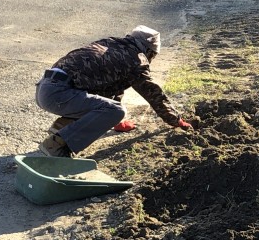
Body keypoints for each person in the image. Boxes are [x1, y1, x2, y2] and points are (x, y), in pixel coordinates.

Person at [35, 25, 193, 158]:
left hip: (46, 88)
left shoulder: (111, 44)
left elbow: (111, 88)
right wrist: (176, 120)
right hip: (59, 94)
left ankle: (61, 129)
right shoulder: (136, 59)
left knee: (108, 107)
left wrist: (117, 122)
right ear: (149, 51)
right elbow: (153, 93)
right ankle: (55, 145)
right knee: (117, 110)